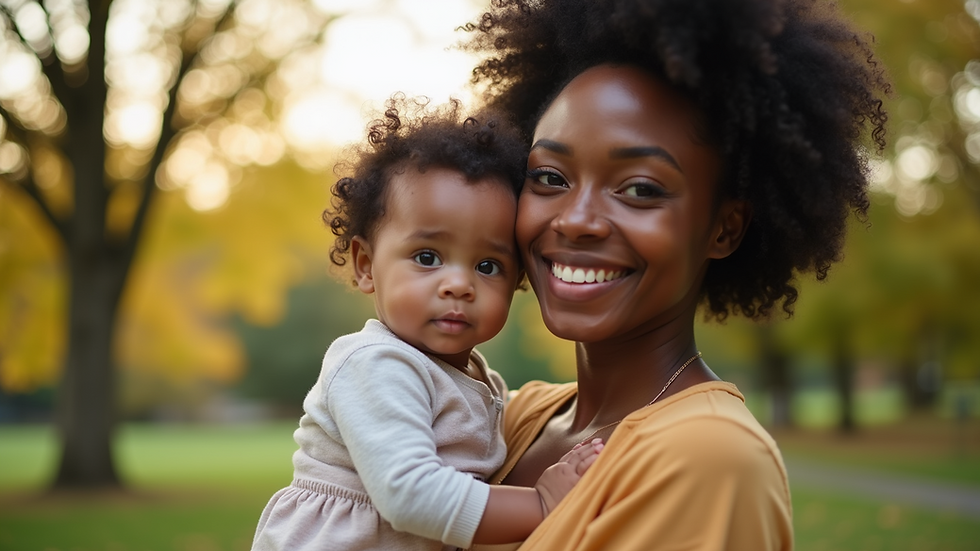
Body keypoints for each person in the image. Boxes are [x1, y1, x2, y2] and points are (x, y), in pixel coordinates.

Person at [461, 0, 890, 549]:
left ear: (724, 229)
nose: (575, 219)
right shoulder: (512, 417)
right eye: (549, 176)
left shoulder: (708, 459)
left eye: (640, 188)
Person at [250, 97, 603, 551]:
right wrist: (541, 505)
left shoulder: (478, 377)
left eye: (488, 265)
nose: (459, 284)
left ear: (517, 280)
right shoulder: (375, 365)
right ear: (365, 265)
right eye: (427, 257)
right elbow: (409, 495)